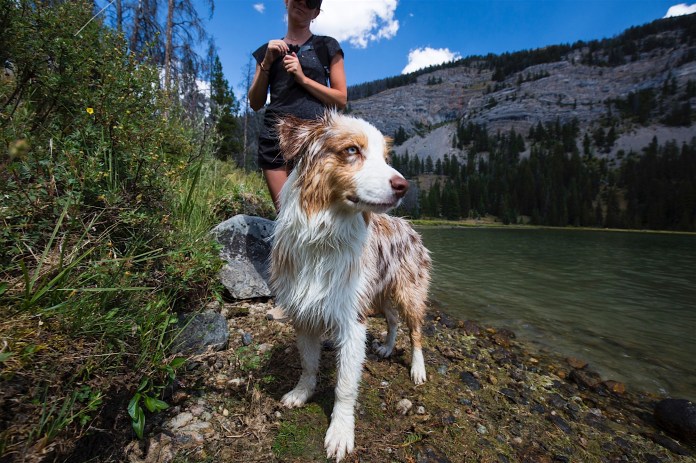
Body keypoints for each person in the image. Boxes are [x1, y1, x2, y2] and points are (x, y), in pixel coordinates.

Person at [248, 0, 347, 211]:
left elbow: (340, 99)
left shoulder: (327, 46)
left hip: (315, 140)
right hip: (275, 140)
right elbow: (255, 103)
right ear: (286, 2)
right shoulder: (268, 51)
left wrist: (302, 79)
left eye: (310, 2)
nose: (302, 3)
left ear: (316, 12)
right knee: (287, 217)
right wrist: (266, 62)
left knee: (317, 215)